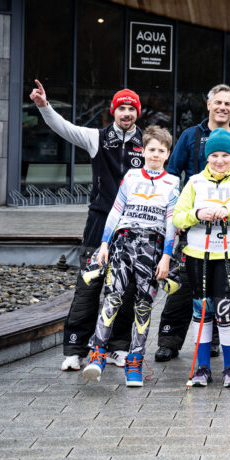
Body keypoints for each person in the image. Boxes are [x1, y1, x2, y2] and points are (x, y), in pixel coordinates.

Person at [28, 79, 141, 372]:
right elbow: (65, 128)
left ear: (137, 113)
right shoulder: (97, 138)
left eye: (131, 109)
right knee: (89, 287)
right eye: (121, 108)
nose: (126, 114)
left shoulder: (148, 142)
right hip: (99, 221)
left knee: (126, 290)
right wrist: (45, 108)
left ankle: (118, 348)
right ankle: (75, 349)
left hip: (134, 224)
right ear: (113, 111)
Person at [155, 84, 230, 363]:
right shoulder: (190, 136)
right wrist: (177, 216)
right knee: (186, 285)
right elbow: (172, 176)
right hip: (192, 224)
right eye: (217, 102)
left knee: (223, 288)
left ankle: (216, 341)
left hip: (228, 227)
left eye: (227, 103)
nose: (222, 107)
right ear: (208, 105)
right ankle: (169, 340)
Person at [82, 126, 180, 387]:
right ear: (143, 150)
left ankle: (134, 363)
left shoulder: (173, 183)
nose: (155, 155)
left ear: (168, 154)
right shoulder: (131, 176)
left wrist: (167, 257)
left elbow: (172, 223)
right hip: (124, 243)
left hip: (153, 247)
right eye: (151, 150)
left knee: (143, 306)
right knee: (112, 297)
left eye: (161, 151)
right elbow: (115, 211)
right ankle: (98, 353)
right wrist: (104, 244)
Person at [172, 129, 230, 389]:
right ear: (207, 156)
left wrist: (228, 211)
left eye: (225, 155)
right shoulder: (196, 182)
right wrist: (199, 212)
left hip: (229, 254)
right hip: (198, 254)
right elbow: (178, 217)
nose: (220, 160)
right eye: (214, 155)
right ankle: (202, 368)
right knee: (202, 310)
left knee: (225, 311)